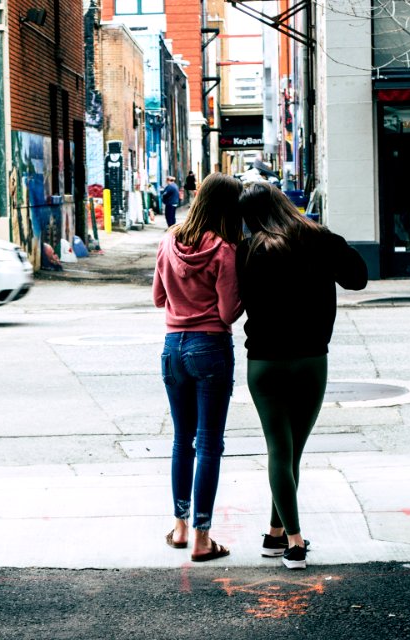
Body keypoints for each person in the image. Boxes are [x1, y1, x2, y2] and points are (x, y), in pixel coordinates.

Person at [236, 181, 367, 570]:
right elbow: (357, 277)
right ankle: (295, 543)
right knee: (291, 451)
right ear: (282, 203)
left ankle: (277, 535)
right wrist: (329, 246)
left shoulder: (247, 250)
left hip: (263, 363)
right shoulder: (319, 238)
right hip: (310, 359)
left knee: (281, 449)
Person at [153, 172, 244, 563]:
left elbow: (158, 298)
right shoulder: (225, 250)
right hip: (210, 346)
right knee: (209, 443)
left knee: (181, 440)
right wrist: (243, 300)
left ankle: (179, 528)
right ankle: (203, 539)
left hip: (173, 348)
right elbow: (227, 311)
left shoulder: (168, 240)